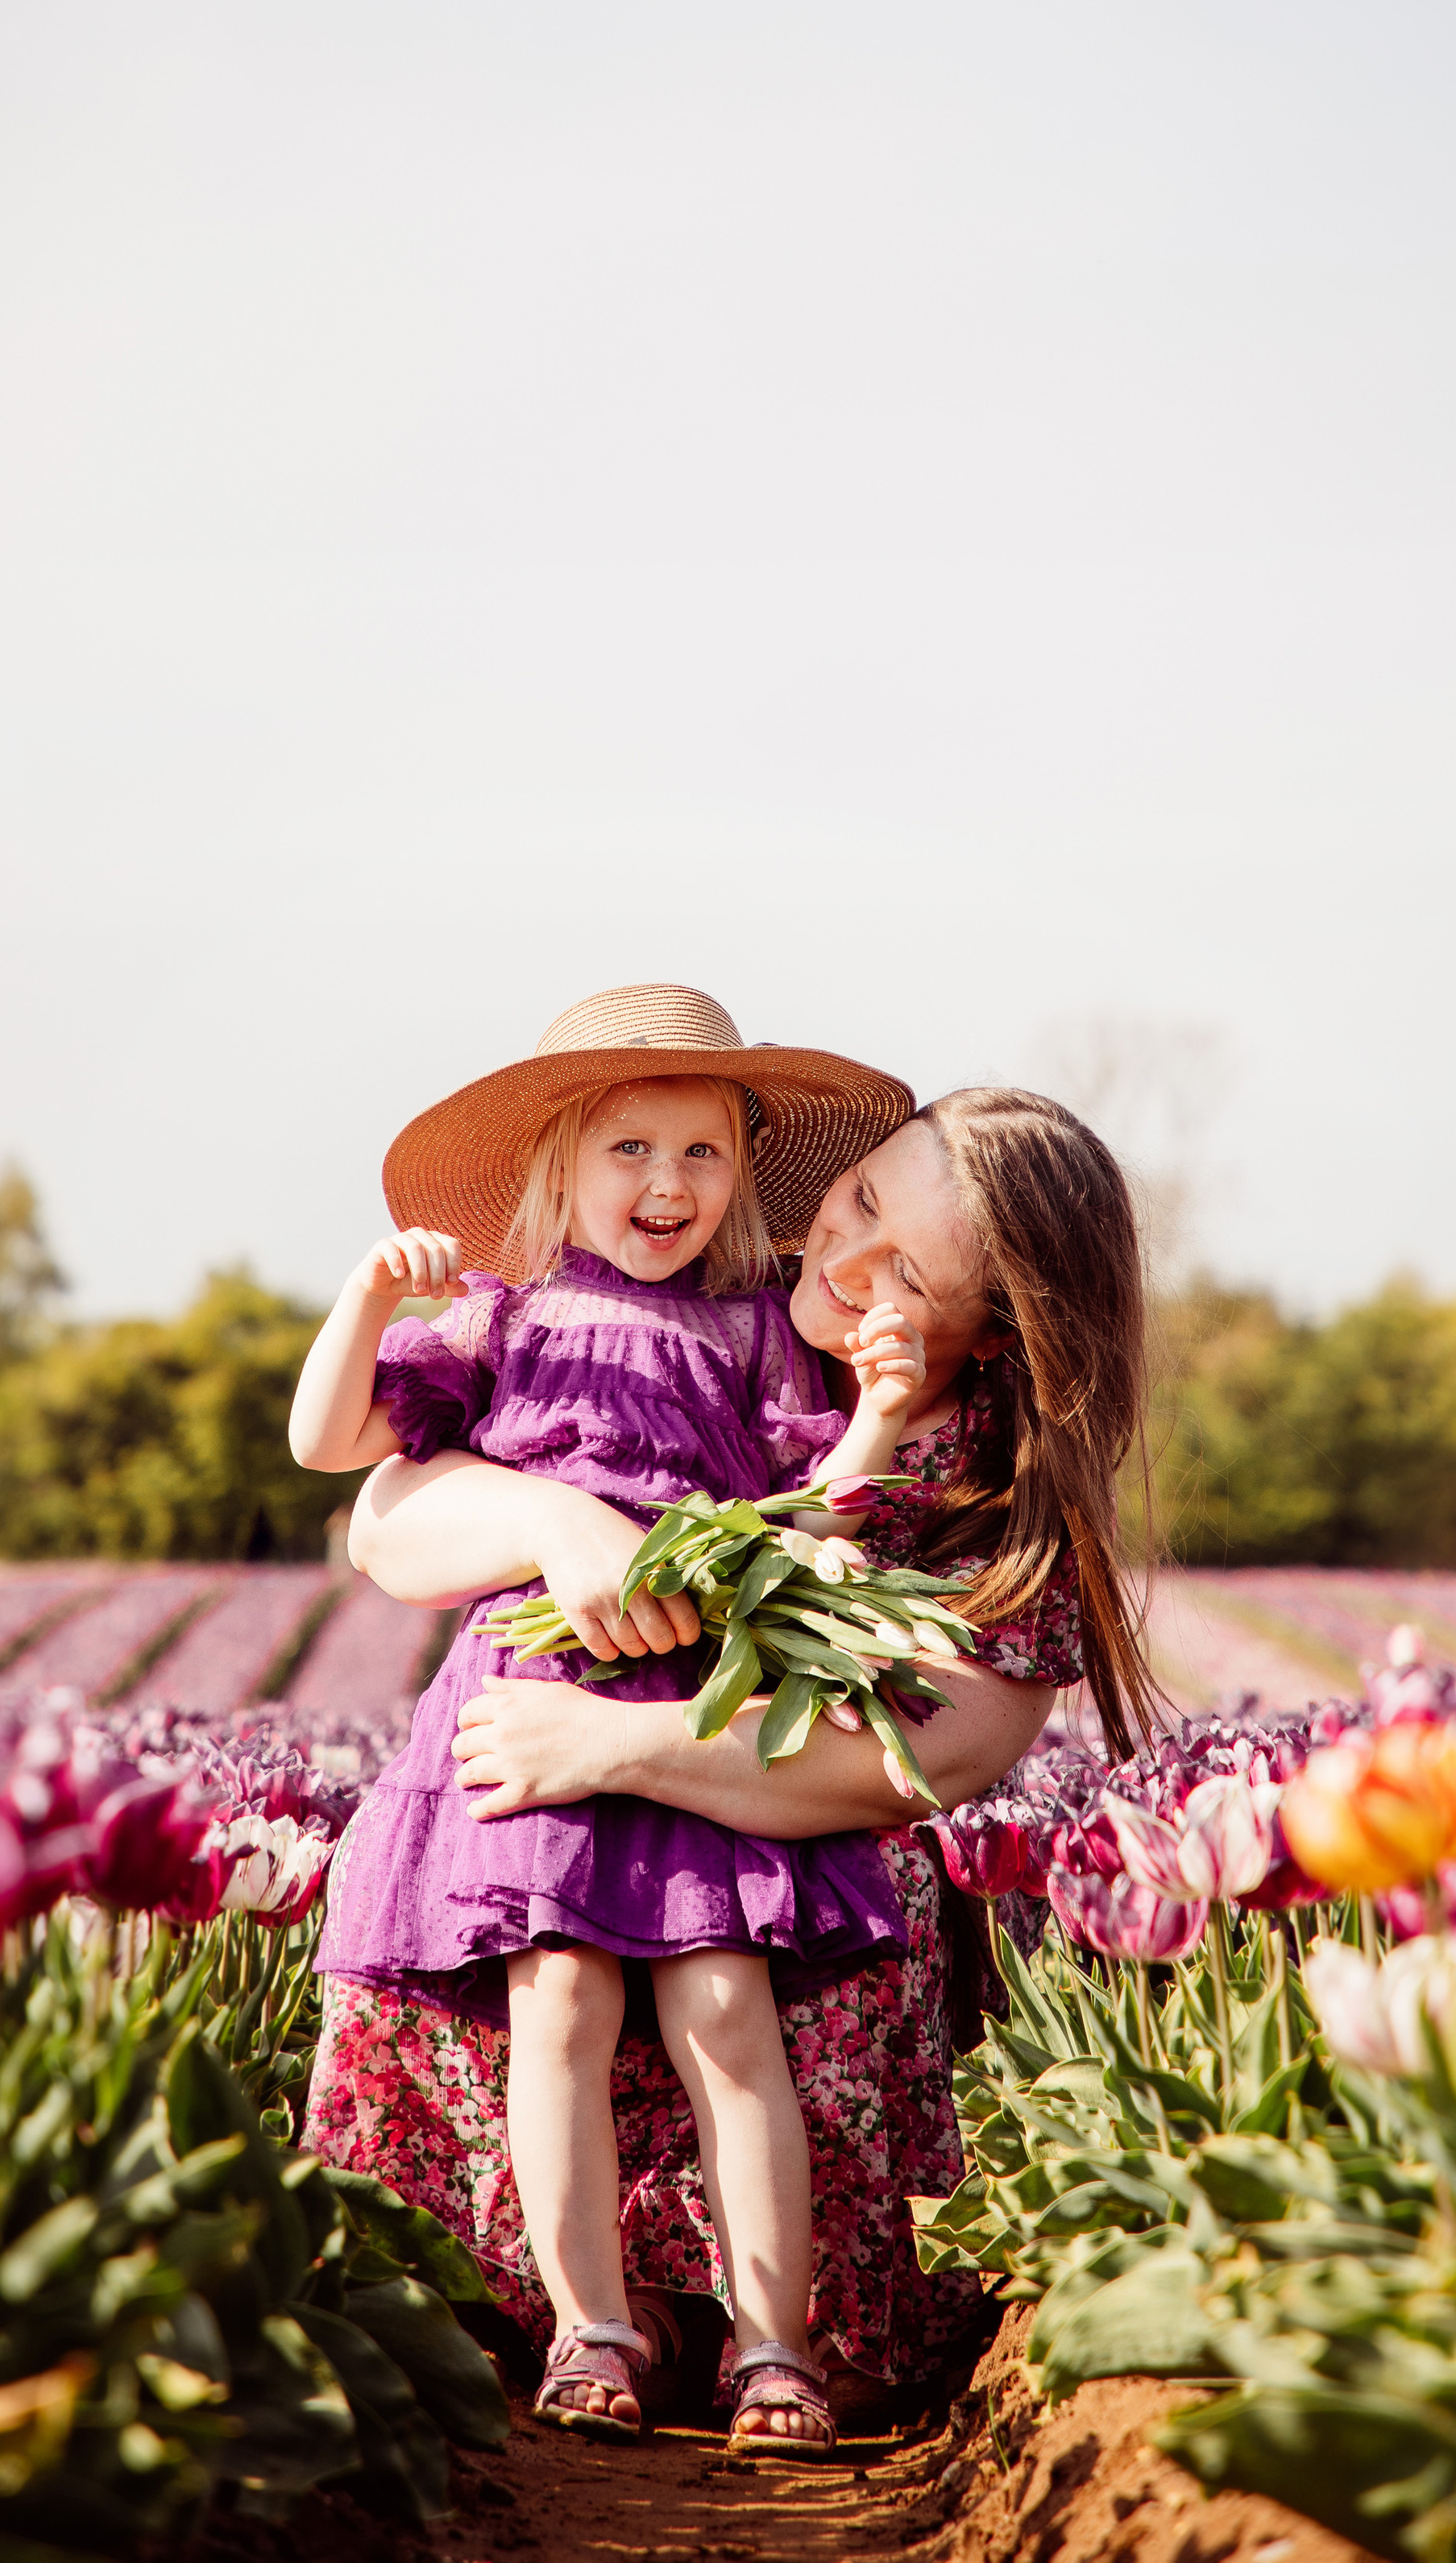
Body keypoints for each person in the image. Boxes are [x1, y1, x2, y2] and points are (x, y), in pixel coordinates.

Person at [307, 1072, 1157, 2445]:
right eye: (861, 1199)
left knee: (732, 2001)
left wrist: (619, 1744)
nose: (847, 1254)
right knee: (538, 1965)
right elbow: (386, 1521)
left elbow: (912, 1767)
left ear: (998, 1330)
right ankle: (558, 2313)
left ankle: (774, 2334)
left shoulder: (1003, 1506)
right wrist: (554, 1519)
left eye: (906, 1268)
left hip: (766, 1880)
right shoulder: (694, 1299)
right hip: (557, 1798)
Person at [290, 984, 920, 2455]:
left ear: (743, 1178)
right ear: (562, 1167)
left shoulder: (764, 1332)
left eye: (702, 1155)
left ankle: (776, 2344)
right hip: (530, 1696)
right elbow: (329, 1443)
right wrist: (369, 1297)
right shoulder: (501, 1316)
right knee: (556, 2002)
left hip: (701, 1706)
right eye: (632, 1148)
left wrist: (878, 1420)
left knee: (726, 2007)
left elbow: (806, 1526)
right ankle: (593, 2328)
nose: (667, 1185)